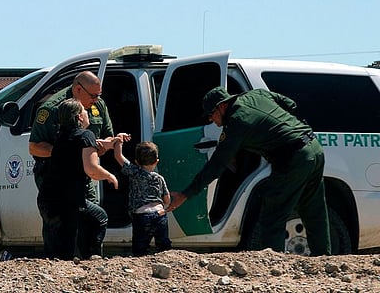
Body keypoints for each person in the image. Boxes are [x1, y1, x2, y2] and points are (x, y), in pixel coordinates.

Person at [167, 86, 331, 256]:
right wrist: (290, 127)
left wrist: (185, 194)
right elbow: (290, 104)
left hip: (292, 159)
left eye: (211, 115)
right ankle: (324, 260)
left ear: (222, 106)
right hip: (313, 147)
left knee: (273, 215)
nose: (211, 120)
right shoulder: (256, 94)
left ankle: (274, 266)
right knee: (314, 209)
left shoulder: (237, 122)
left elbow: (216, 165)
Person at [29, 70, 117, 259]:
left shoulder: (98, 104)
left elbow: (107, 136)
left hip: (82, 177)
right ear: (78, 89)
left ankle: (88, 263)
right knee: (59, 225)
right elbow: (34, 147)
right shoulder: (53, 108)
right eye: (93, 95)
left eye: (99, 95)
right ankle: (56, 264)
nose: (97, 99)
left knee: (89, 221)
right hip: (55, 177)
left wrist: (98, 146)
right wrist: (71, 150)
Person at [114, 139, 172, 256]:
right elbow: (167, 200)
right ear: (157, 161)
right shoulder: (159, 178)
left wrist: (119, 141)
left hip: (142, 215)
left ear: (136, 162)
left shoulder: (134, 172)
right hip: (160, 214)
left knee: (140, 248)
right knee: (164, 246)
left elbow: (118, 156)